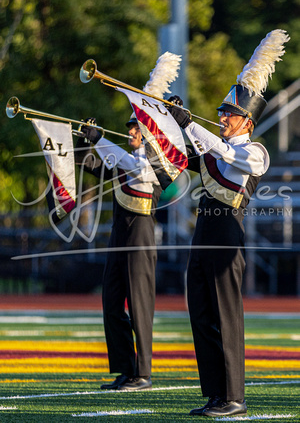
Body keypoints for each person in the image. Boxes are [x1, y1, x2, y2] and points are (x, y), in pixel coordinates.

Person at [167, 29, 290, 417]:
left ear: (247, 121)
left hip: (226, 241)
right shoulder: (213, 148)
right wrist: (165, 118)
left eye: (229, 114)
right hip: (202, 238)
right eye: (221, 113)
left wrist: (189, 124)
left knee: (225, 316)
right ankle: (216, 394)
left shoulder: (255, 152)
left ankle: (235, 397)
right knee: (201, 315)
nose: (222, 118)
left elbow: (220, 150)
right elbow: (178, 157)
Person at [75, 116, 162, 391]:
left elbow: (130, 164)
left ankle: (143, 373)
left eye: (137, 128)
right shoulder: (121, 157)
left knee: (139, 304)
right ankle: (126, 368)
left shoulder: (156, 162)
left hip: (141, 234)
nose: (131, 132)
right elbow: (88, 165)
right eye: (130, 128)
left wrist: (100, 139)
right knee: (112, 300)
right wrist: (82, 140)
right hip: (119, 233)